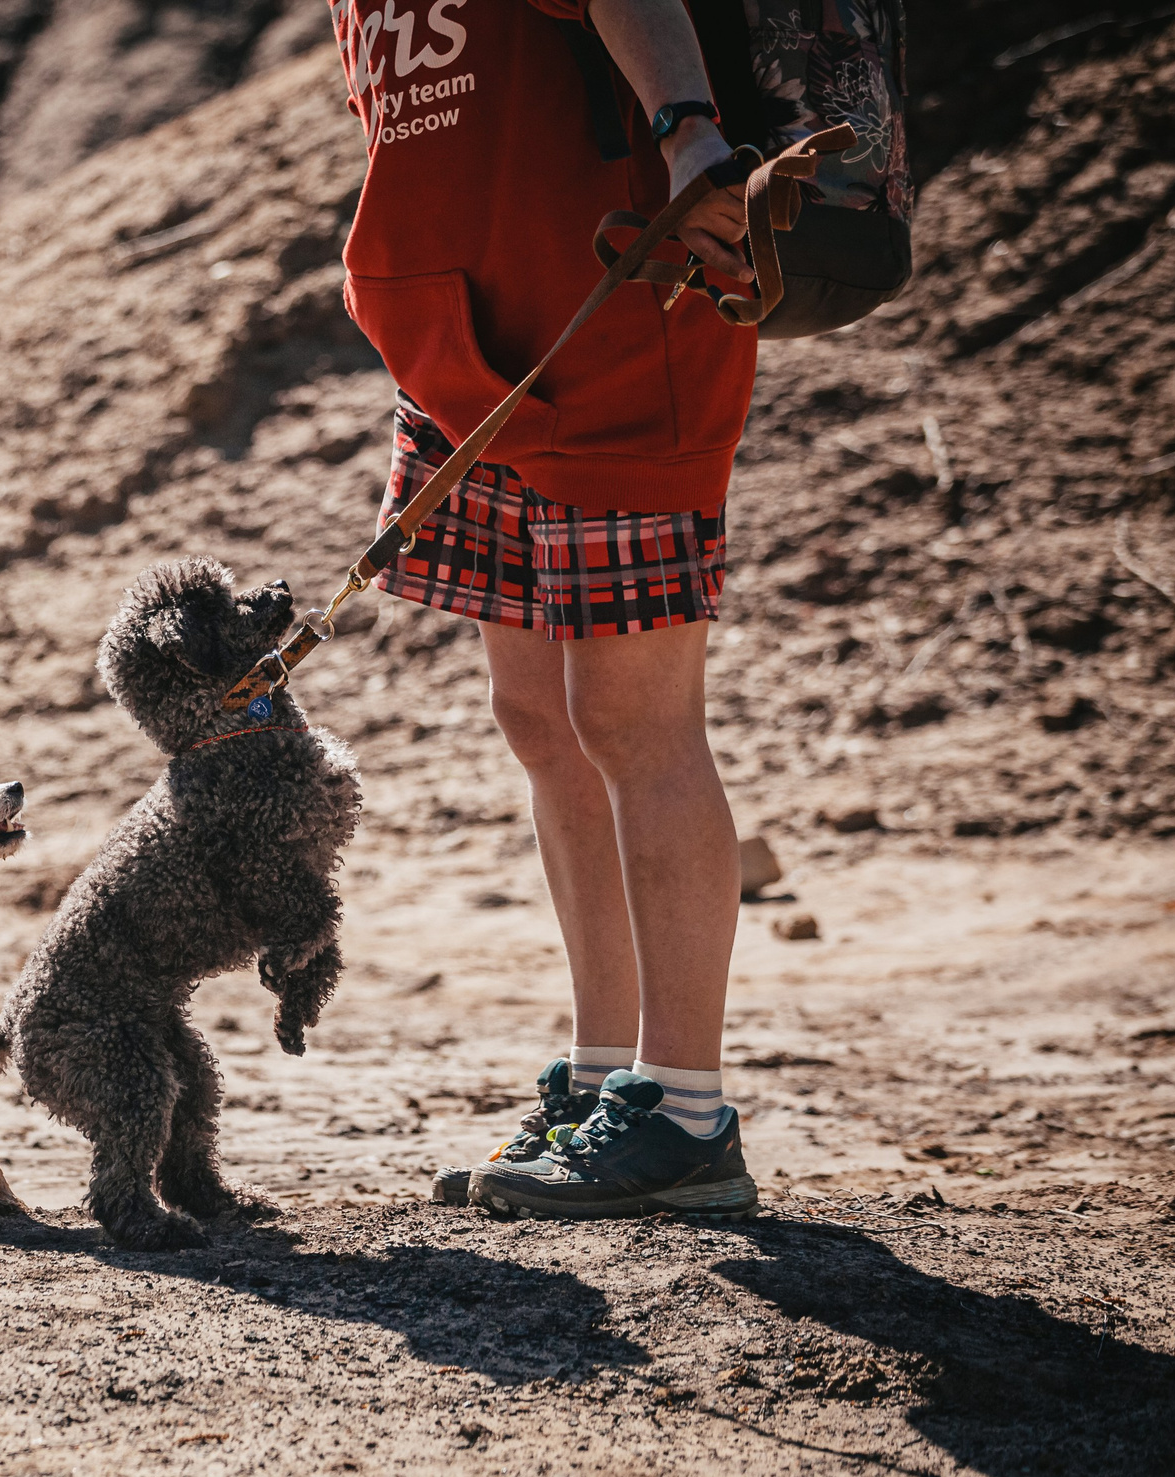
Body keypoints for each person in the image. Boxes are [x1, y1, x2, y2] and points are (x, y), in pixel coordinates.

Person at [327, 0, 762, 1218]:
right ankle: (603, 1074)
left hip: (620, 316)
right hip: (465, 358)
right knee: (541, 720)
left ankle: (684, 1113)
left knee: (629, 720)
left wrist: (689, 138)